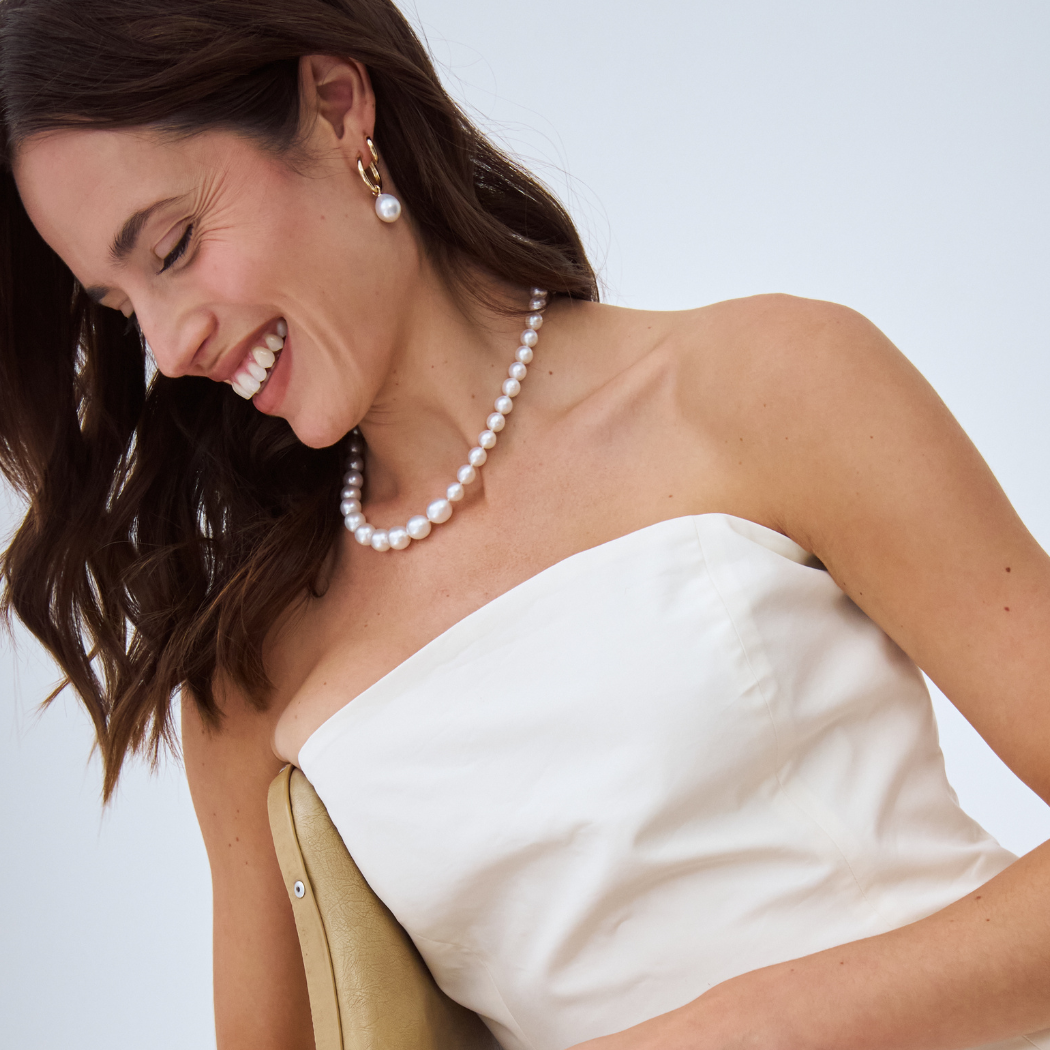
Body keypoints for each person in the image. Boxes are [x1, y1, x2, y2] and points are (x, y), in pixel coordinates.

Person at [1, 0, 1048, 1048]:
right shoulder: (250, 672)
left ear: (335, 105)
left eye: (174, 246)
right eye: (117, 304)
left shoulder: (768, 387)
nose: (169, 347)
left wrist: (761, 1024)